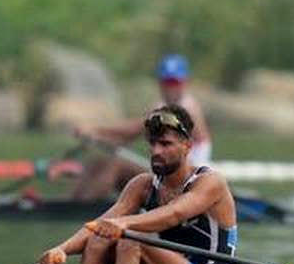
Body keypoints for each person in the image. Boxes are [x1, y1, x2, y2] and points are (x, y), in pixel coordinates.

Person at [38, 103, 236, 264]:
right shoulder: (142, 185)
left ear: (187, 146)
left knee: (131, 240)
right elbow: (98, 224)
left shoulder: (210, 182)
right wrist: (61, 250)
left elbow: (174, 213)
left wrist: (122, 225)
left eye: (165, 144)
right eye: (152, 143)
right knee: (99, 236)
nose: (156, 151)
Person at [70, 54, 213, 200]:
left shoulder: (186, 108)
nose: (171, 88)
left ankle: (84, 209)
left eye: (175, 82)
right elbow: (130, 136)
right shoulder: (161, 105)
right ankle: (73, 204)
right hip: (169, 173)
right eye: (166, 82)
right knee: (97, 163)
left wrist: (95, 130)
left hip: (187, 182)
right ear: (159, 83)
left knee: (116, 166)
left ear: (185, 82)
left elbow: (136, 128)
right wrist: (98, 138)